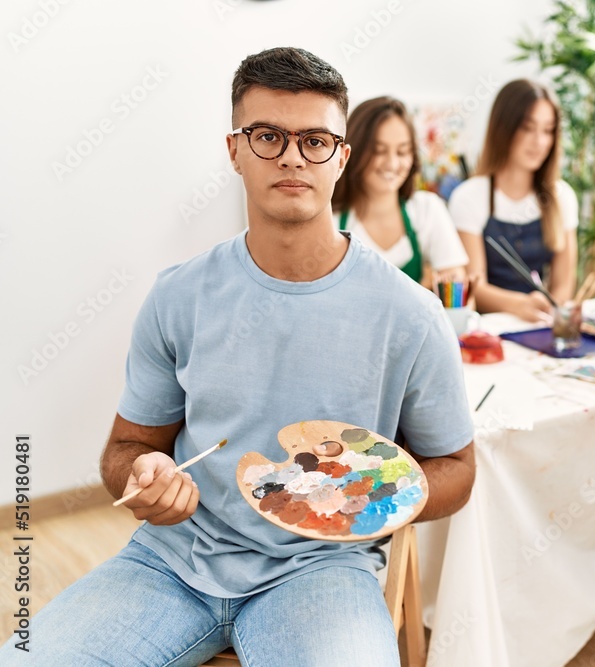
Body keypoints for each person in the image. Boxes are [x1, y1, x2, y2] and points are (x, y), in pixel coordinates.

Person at [0, 47, 476, 666]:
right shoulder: (179, 295)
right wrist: (143, 479)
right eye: (267, 136)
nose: (291, 157)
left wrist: (375, 495)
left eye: (314, 141)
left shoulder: (410, 313)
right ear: (234, 151)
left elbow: (457, 467)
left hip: (321, 571)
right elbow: (126, 451)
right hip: (172, 561)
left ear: (341, 158)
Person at [449, 79, 579, 322]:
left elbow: (564, 284)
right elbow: (474, 285)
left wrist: (552, 310)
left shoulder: (562, 197)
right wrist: (519, 305)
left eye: (548, 130)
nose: (539, 142)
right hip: (489, 329)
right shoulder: (469, 197)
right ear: (503, 129)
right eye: (527, 128)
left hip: (540, 324)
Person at [331, 95, 468, 289]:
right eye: (378, 151)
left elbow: (457, 288)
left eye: (402, 152)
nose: (392, 164)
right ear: (351, 153)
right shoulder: (330, 219)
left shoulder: (426, 208)